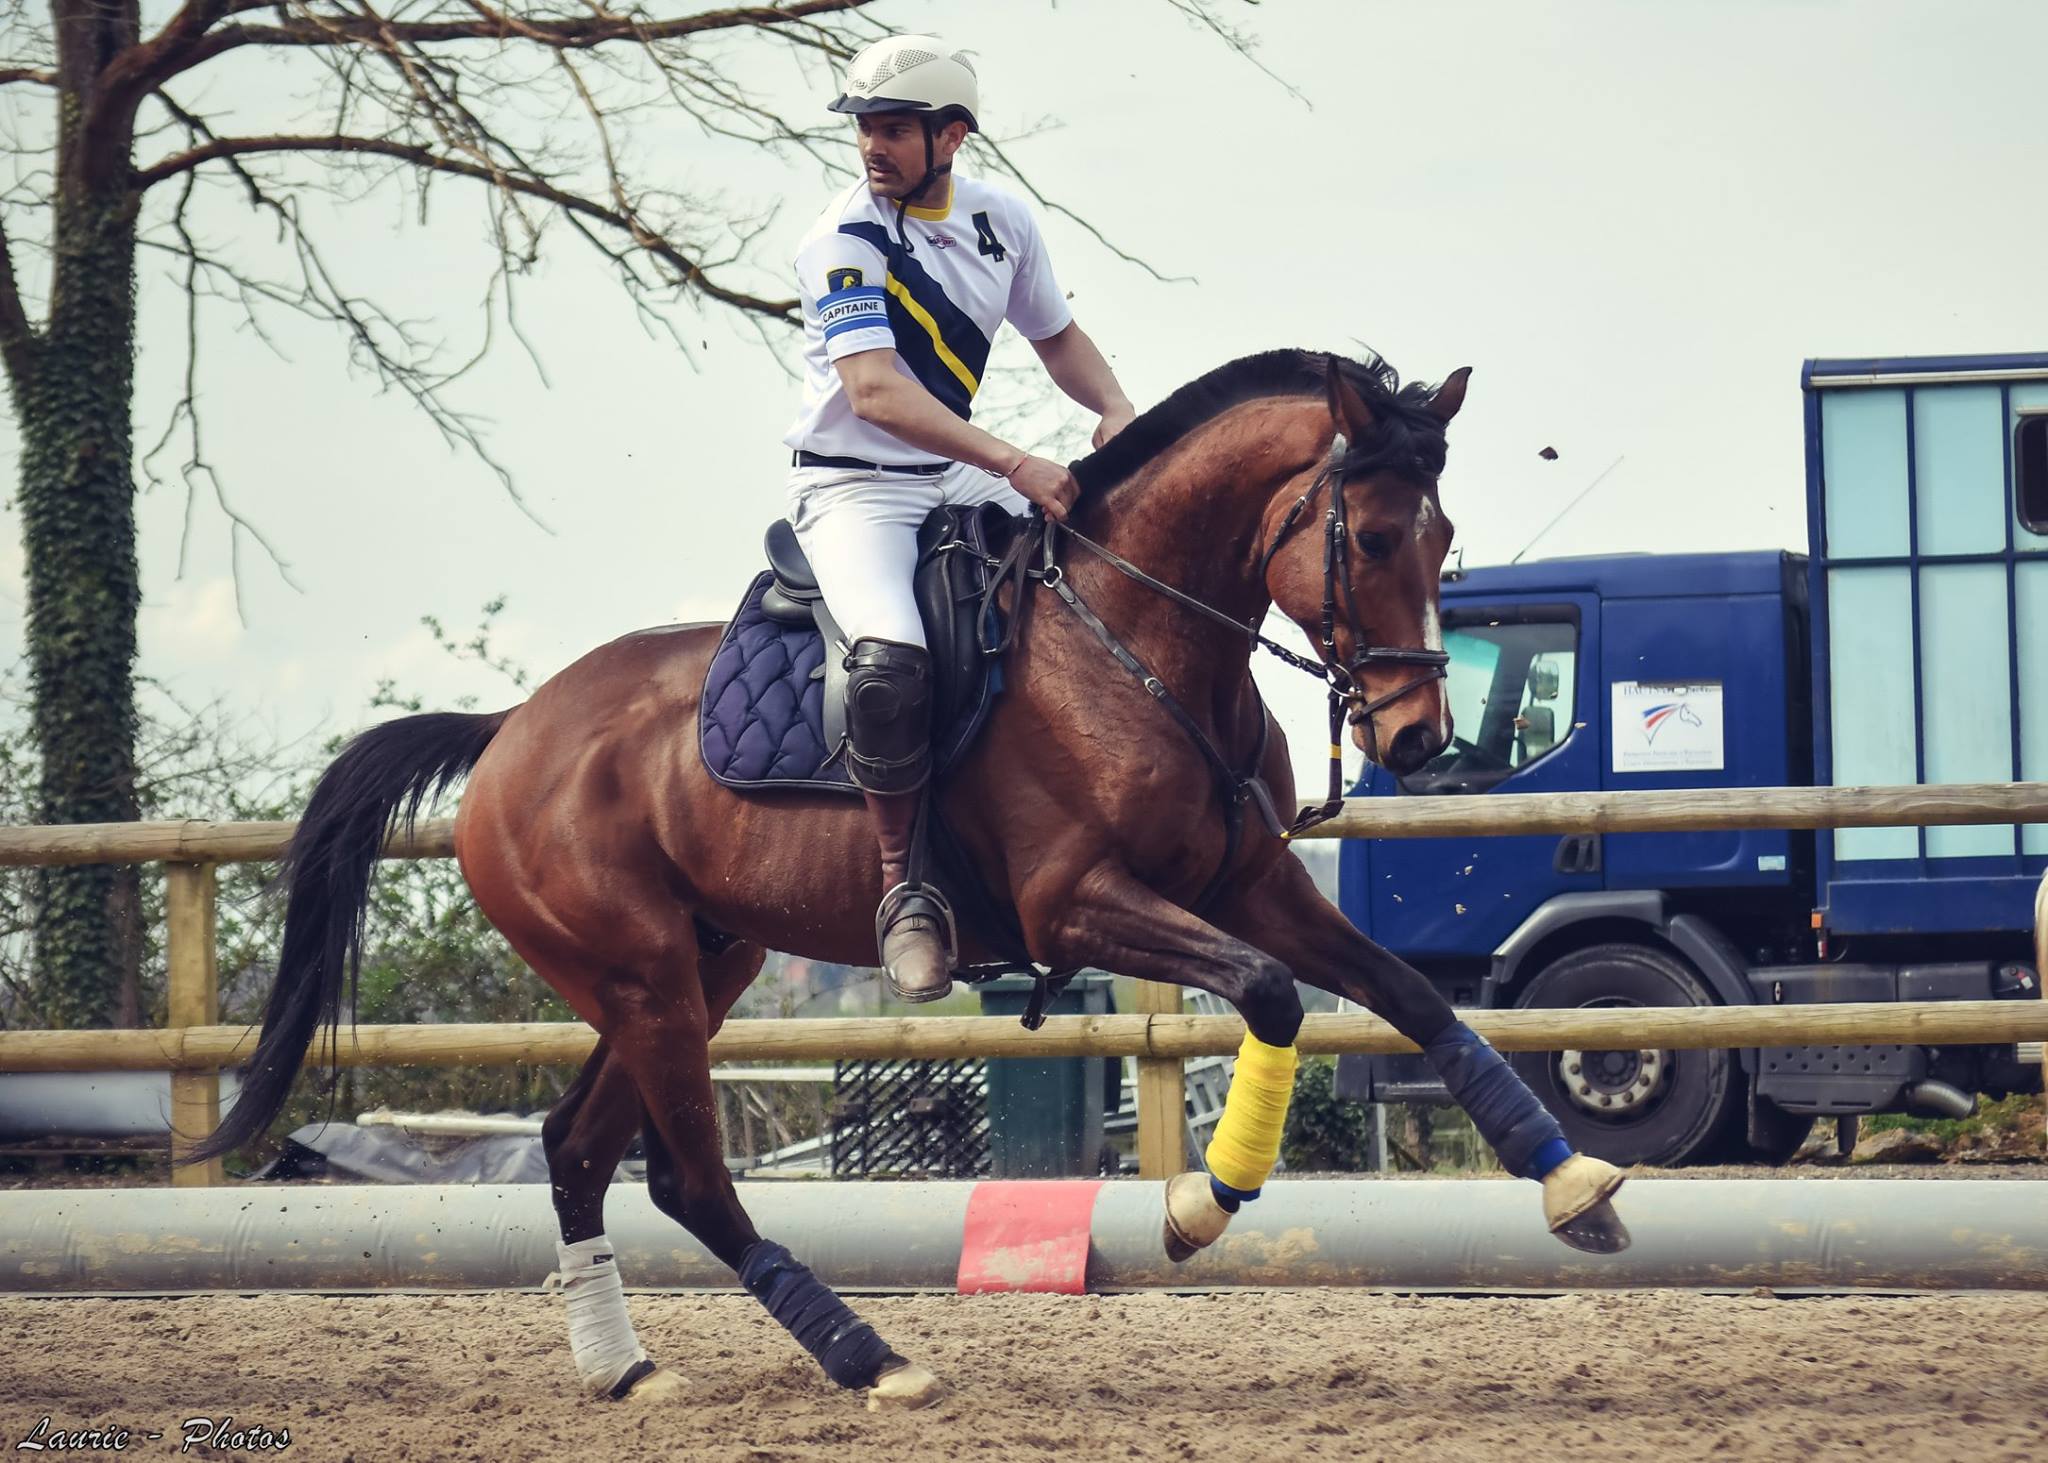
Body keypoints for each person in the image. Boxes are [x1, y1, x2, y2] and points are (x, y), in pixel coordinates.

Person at [786, 33, 1135, 1003]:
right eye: (863, 129)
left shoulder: (1002, 222)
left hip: (950, 475)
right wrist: (1018, 460)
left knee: (1108, 557)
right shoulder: (841, 242)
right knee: (891, 665)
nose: (870, 147)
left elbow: (1056, 337)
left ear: (952, 136)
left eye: (891, 129)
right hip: (853, 487)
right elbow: (875, 394)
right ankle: (905, 889)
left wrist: (1115, 411)